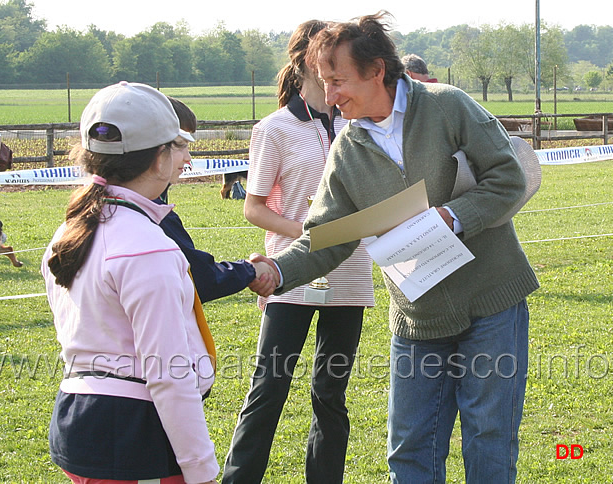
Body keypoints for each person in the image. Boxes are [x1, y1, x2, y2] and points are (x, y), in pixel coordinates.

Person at [255, 12, 539, 484]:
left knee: (488, 440)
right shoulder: (346, 148)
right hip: (417, 317)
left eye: (338, 80)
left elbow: (509, 178)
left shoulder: (449, 106)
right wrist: (276, 271)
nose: (330, 96)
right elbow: (327, 236)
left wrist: (452, 218)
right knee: (409, 451)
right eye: (324, 83)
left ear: (376, 71)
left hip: (492, 303)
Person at [41, 81, 220, 484]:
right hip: (136, 439)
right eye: (179, 145)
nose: (187, 158)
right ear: (158, 160)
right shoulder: (148, 247)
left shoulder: (69, 231)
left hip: (80, 422)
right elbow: (168, 374)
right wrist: (202, 471)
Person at [222, 20, 374, 484]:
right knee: (269, 387)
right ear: (304, 61)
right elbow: (252, 207)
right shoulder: (274, 129)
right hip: (291, 272)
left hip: (349, 274)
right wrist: (311, 235)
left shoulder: (357, 121)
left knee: (331, 393)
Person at [156, 96, 274, 302]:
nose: (188, 157)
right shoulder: (155, 216)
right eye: (180, 144)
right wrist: (251, 269)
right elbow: (200, 277)